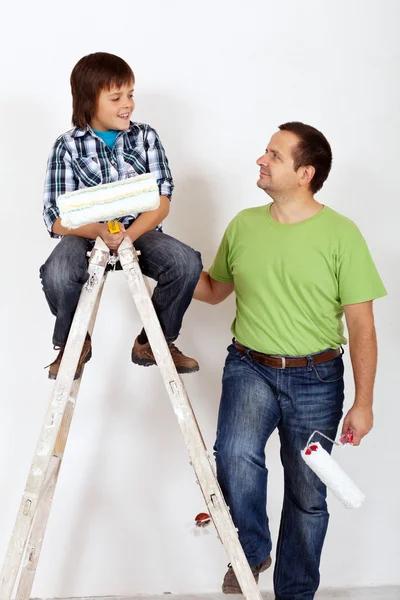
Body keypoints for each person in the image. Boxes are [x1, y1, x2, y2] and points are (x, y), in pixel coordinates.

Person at [194, 122, 386, 599]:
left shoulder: (342, 234)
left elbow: (362, 326)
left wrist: (364, 404)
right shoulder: (243, 224)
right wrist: (163, 262)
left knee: (308, 497)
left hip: (318, 380)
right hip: (249, 367)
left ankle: (295, 595)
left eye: (274, 155)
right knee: (234, 456)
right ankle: (253, 549)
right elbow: (214, 291)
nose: (261, 160)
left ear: (305, 173)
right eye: (265, 151)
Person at [40, 52, 202, 380]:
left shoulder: (145, 137)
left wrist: (128, 235)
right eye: (116, 97)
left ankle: (154, 341)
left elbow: (161, 201)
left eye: (130, 94)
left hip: (139, 230)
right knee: (58, 272)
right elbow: (56, 218)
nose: (127, 103)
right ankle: (73, 343)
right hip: (84, 235)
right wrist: (99, 231)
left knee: (186, 263)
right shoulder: (67, 147)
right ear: (89, 101)